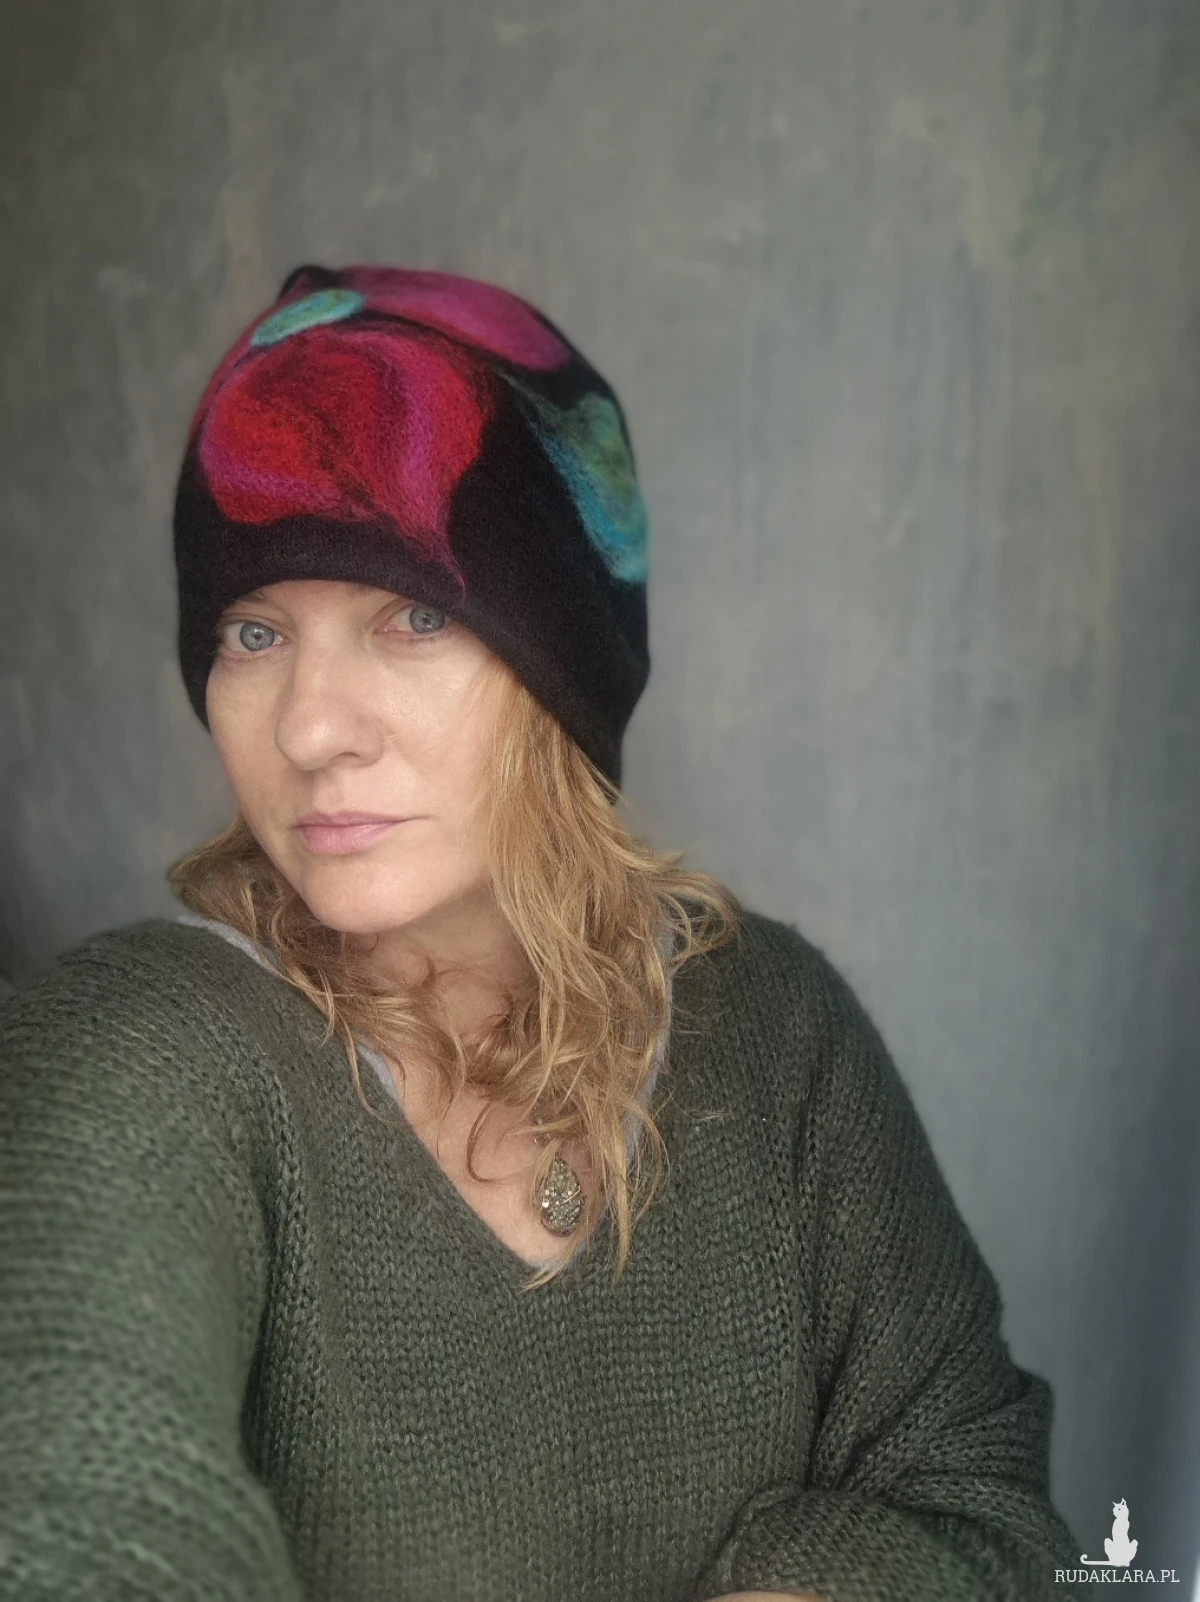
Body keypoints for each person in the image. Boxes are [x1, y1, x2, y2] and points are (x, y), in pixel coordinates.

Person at [0, 264, 1086, 1601]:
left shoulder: (776, 1026)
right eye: (253, 630)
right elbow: (73, 1518)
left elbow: (984, 1504)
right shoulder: (129, 1051)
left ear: (562, 667)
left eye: (413, 615)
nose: (312, 728)